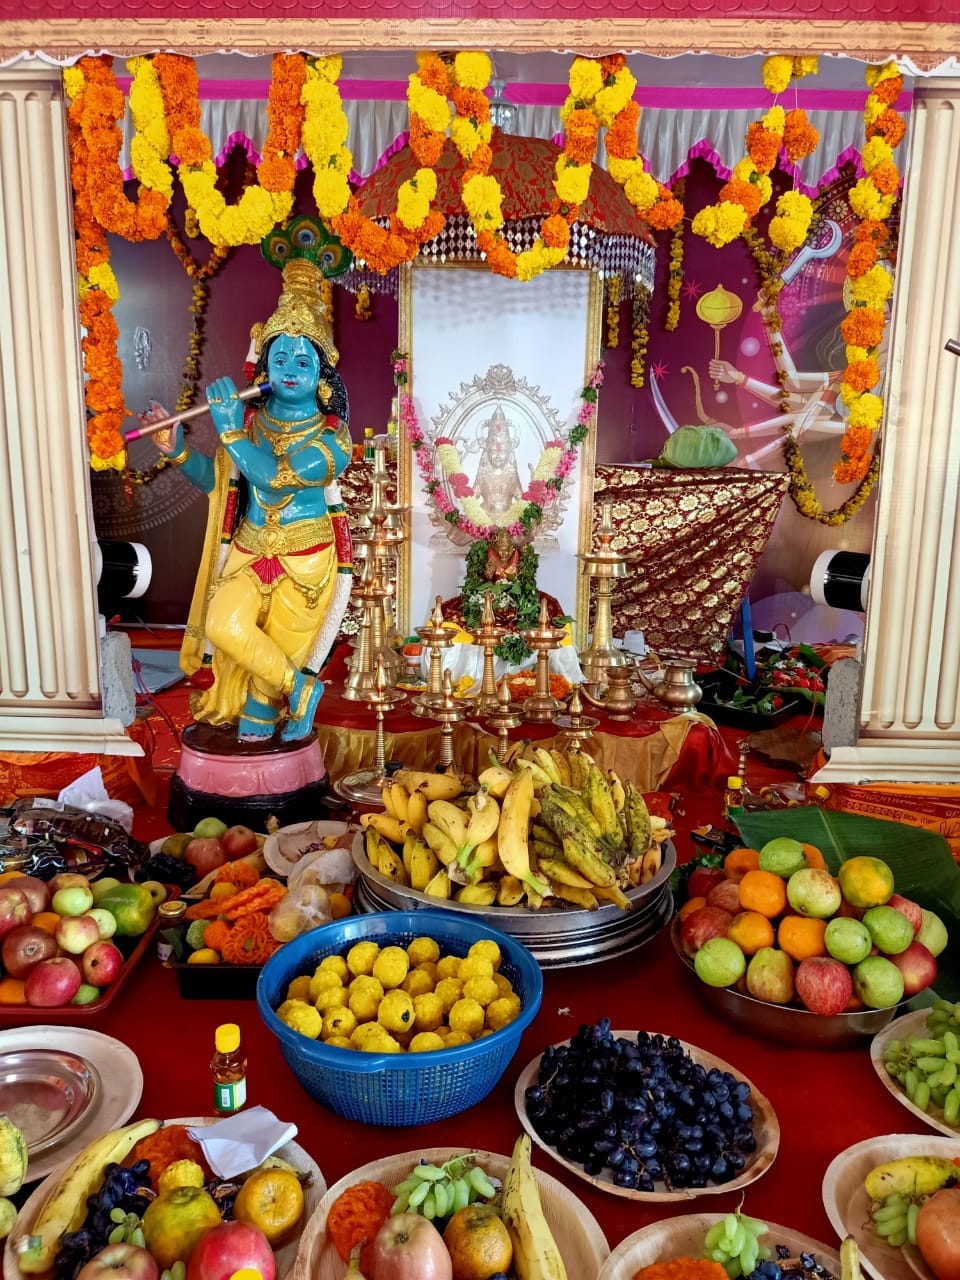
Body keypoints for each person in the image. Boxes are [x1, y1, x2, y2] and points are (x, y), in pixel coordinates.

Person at [144, 222, 353, 744]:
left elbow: (276, 482)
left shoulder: (334, 437)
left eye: (302, 360)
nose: (288, 368)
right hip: (249, 551)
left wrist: (232, 431)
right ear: (262, 365)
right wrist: (180, 452)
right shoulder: (253, 425)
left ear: (323, 377)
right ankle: (300, 688)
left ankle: (279, 705)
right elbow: (224, 485)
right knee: (223, 623)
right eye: (278, 357)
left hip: (305, 565)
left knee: (258, 720)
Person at [469, 405, 524, 516]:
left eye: (503, 451)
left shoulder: (511, 473)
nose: (498, 455)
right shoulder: (483, 473)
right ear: (486, 452)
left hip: (509, 519)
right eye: (494, 451)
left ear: (510, 453)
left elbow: (520, 498)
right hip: (485, 519)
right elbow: (473, 497)